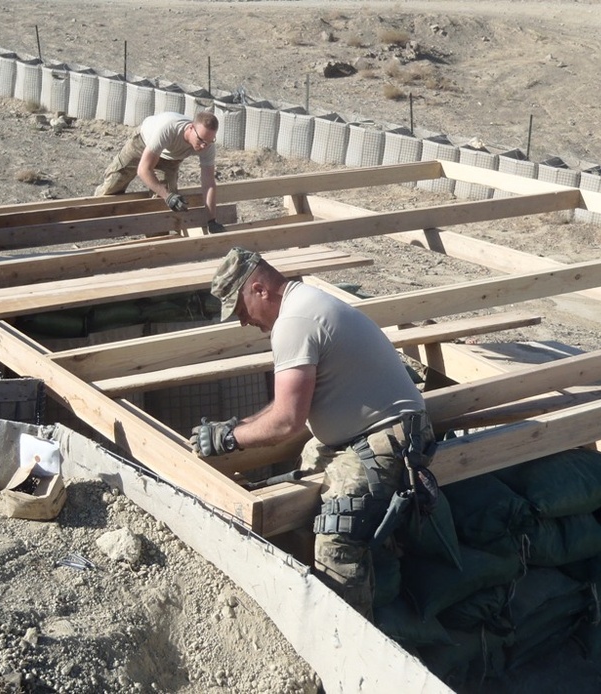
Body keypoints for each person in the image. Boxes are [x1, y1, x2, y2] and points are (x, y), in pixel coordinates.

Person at [190, 247, 437, 619]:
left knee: (336, 541)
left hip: (388, 436)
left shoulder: (295, 322)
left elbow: (287, 421)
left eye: (240, 311)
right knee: (306, 475)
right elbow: (286, 411)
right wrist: (237, 427)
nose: (243, 323)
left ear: (259, 289)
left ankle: (353, 645)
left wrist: (229, 439)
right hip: (356, 434)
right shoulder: (302, 305)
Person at [94, 111, 225, 233]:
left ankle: (155, 245)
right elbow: (143, 169)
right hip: (143, 144)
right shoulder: (168, 129)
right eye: (201, 140)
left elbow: (208, 183)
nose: (204, 146)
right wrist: (168, 196)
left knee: (164, 206)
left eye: (209, 142)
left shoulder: (207, 145)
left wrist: (211, 220)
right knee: (113, 184)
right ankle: (93, 220)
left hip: (170, 160)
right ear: (191, 128)